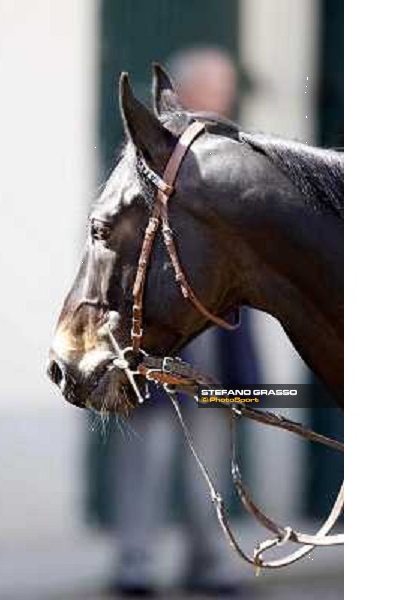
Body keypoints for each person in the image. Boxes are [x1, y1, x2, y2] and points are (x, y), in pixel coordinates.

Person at [110, 47, 262, 596]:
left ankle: (207, 562)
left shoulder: (233, 149)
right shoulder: (149, 151)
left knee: (211, 462)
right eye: (214, 85)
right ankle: (136, 563)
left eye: (226, 85)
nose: (223, 95)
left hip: (217, 334)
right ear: (186, 90)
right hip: (156, 330)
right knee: (145, 453)